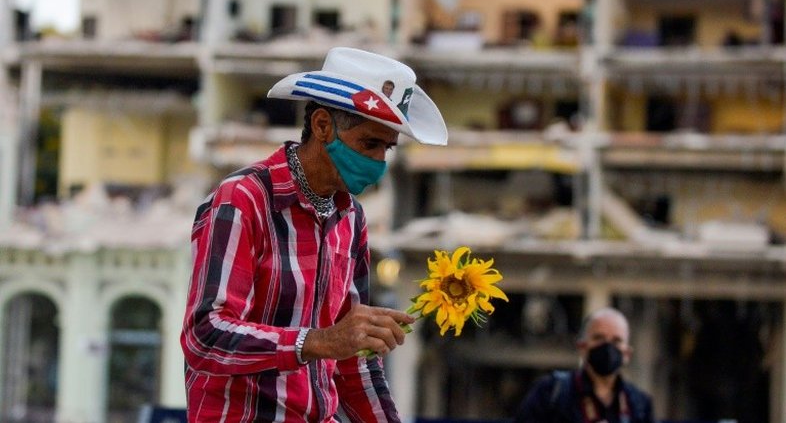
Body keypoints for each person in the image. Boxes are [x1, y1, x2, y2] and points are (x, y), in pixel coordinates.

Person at [180, 47, 448, 422]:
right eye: (369, 144)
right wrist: (319, 342)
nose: (377, 163)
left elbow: (355, 362)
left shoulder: (350, 218)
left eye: (385, 149)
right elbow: (204, 337)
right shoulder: (243, 200)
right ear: (322, 126)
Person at [514, 307, 654, 423]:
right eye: (599, 338)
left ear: (627, 354)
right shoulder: (551, 392)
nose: (607, 346)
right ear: (582, 347)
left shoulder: (639, 404)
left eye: (616, 341)